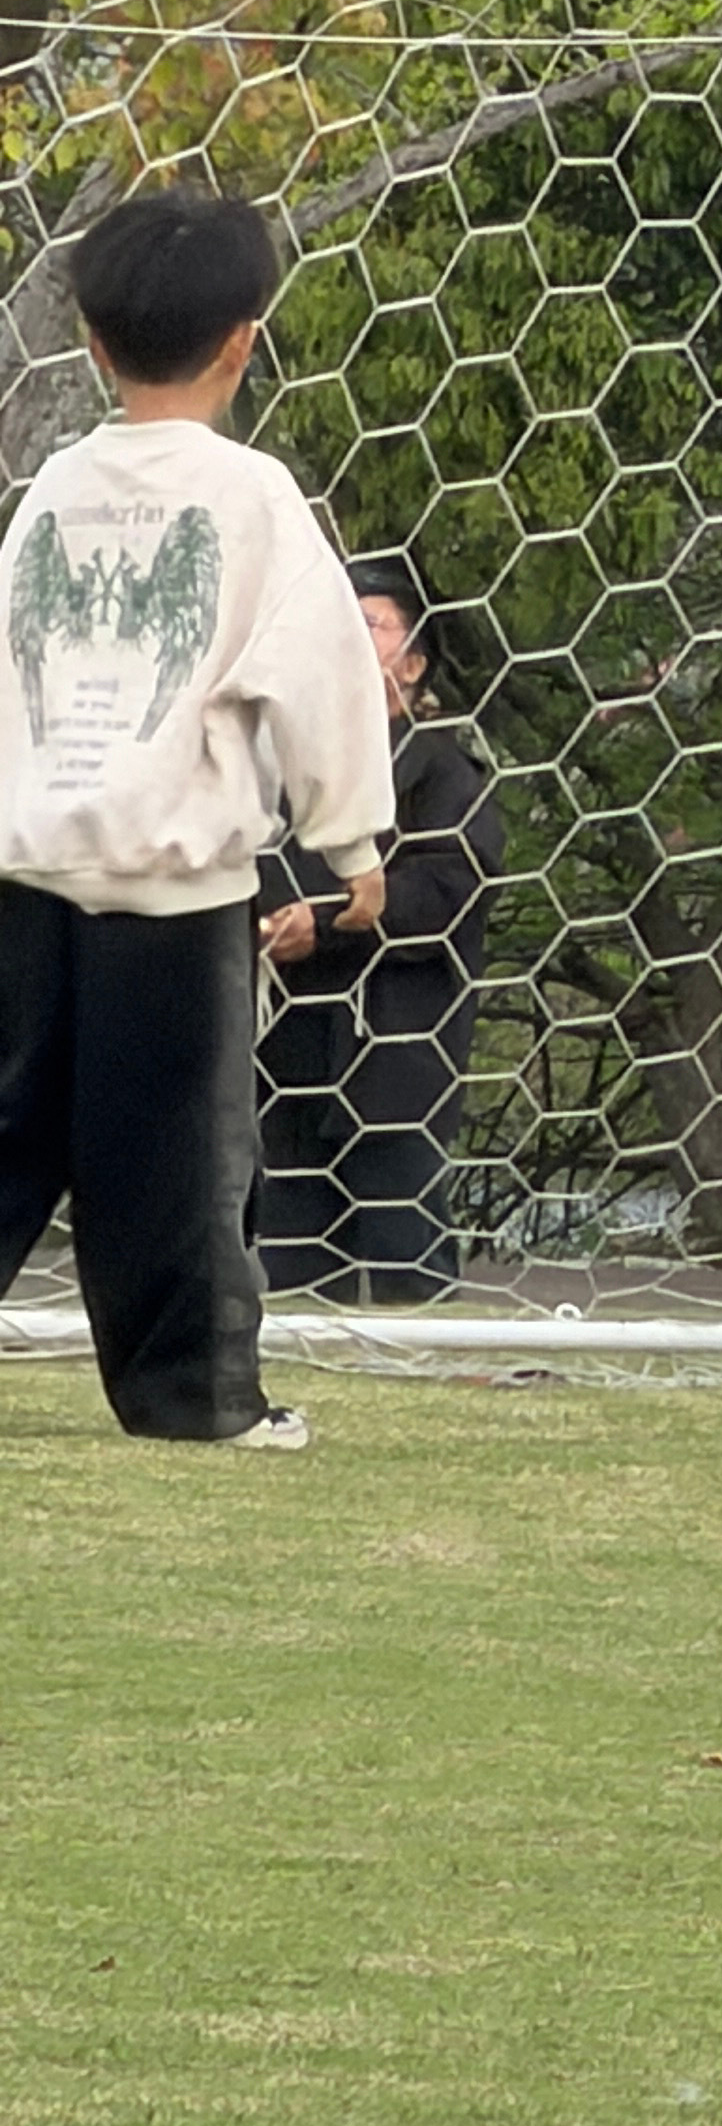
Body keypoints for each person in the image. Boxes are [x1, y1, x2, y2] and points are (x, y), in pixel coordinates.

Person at [0, 190, 388, 1448]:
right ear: (245, 339)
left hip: (26, 869)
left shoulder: (51, 491)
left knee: (9, 1128)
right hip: (174, 896)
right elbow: (324, 671)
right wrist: (351, 846)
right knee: (172, 1158)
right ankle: (194, 1403)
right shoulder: (253, 495)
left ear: (95, 348)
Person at [256, 556, 502, 1303]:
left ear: (416, 661)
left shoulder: (445, 774)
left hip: (393, 1049)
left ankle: (427, 1390)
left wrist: (327, 922)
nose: (351, 642)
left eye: (370, 626)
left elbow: (446, 891)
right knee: (292, 1258)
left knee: (405, 1249)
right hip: (287, 1044)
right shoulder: (291, 765)